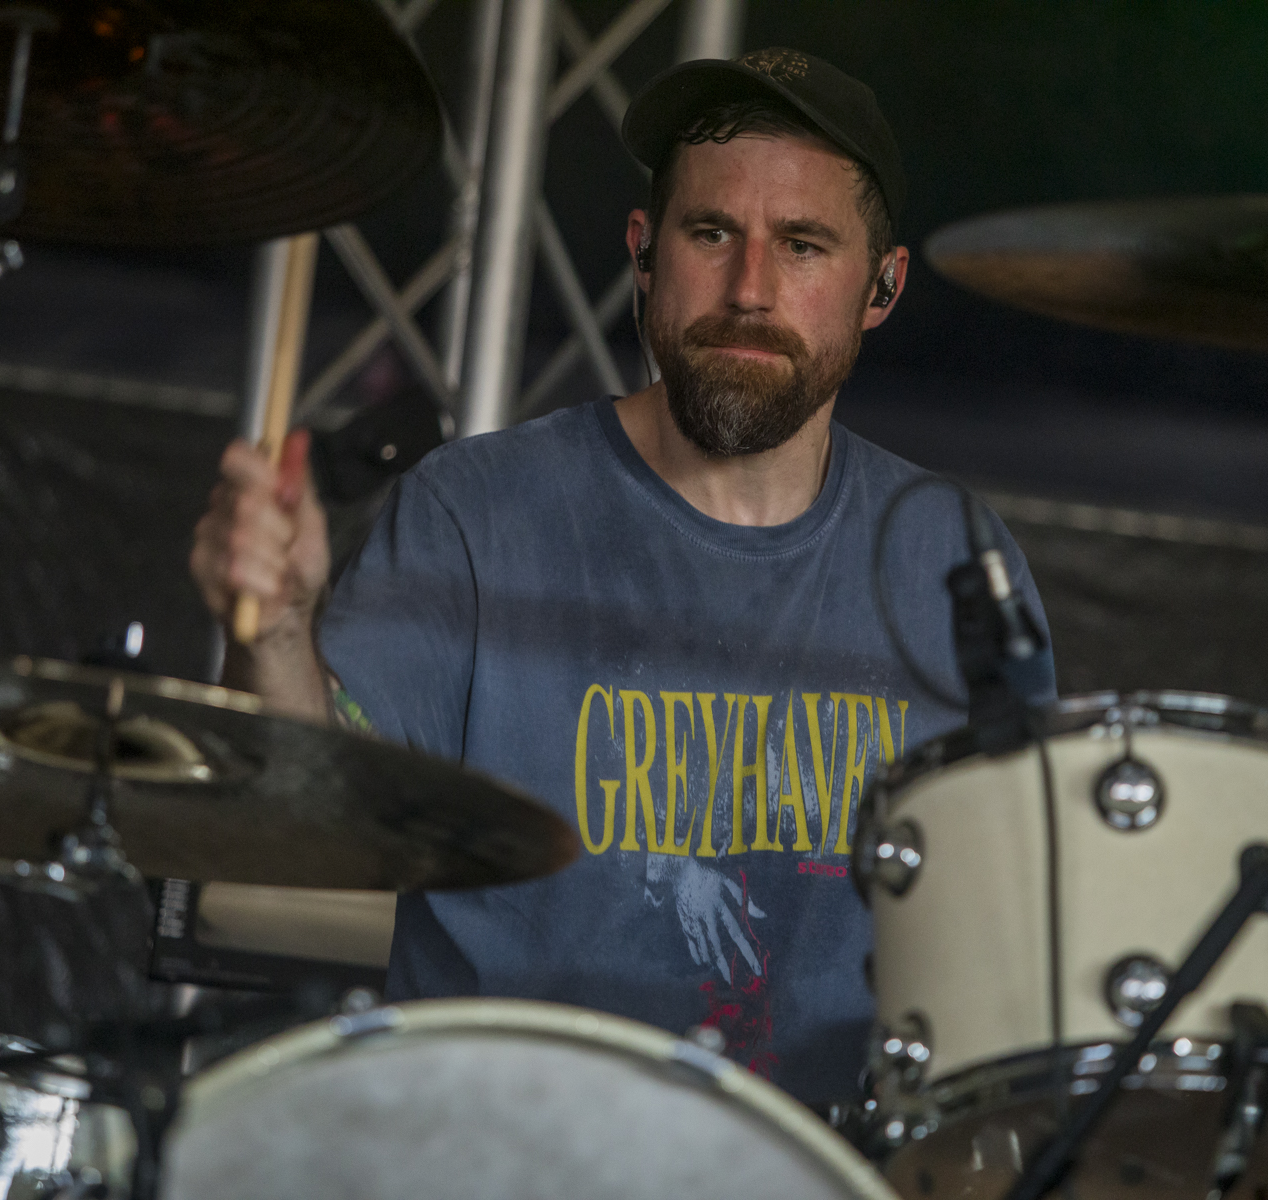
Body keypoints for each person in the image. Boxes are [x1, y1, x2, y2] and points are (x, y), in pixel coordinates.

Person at [190, 47, 1054, 1103]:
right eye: (711, 234)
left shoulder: (951, 561)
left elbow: (1016, 941)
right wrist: (280, 628)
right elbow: (303, 848)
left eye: (803, 245)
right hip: (498, 1145)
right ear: (644, 253)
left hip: (819, 1163)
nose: (750, 290)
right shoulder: (477, 513)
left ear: (882, 287)